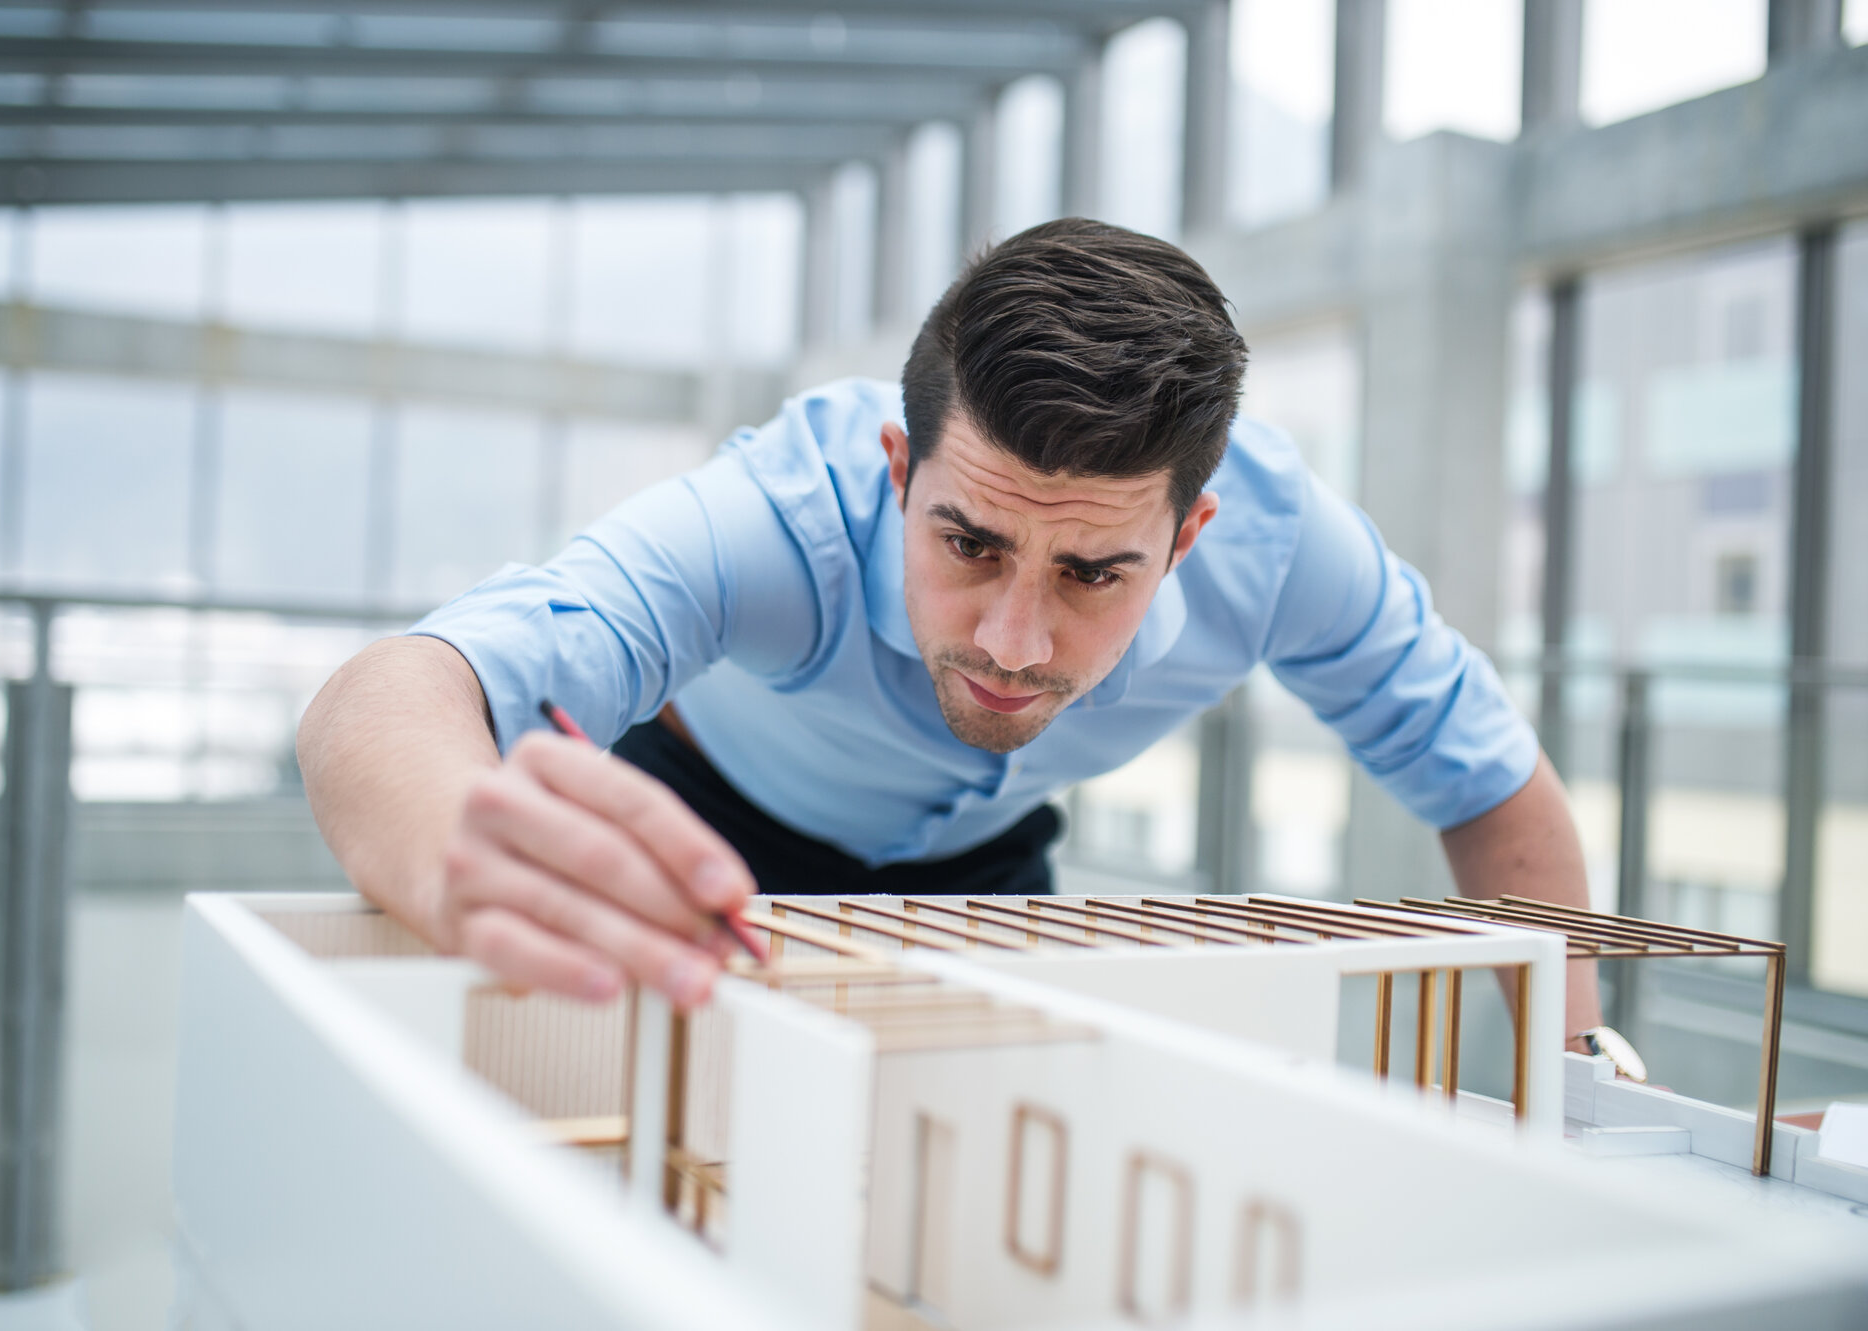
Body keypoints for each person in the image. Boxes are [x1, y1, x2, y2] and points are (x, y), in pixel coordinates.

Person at [298, 219, 1601, 1042]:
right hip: (693, 832)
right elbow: (385, 698)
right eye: (969, 544)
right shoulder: (773, 516)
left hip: (983, 870)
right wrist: (454, 851)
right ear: (895, 472)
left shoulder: (1286, 543)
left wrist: (1577, 1077)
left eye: (1095, 572)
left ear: (1191, 536)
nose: (1019, 643)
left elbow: (1490, 783)